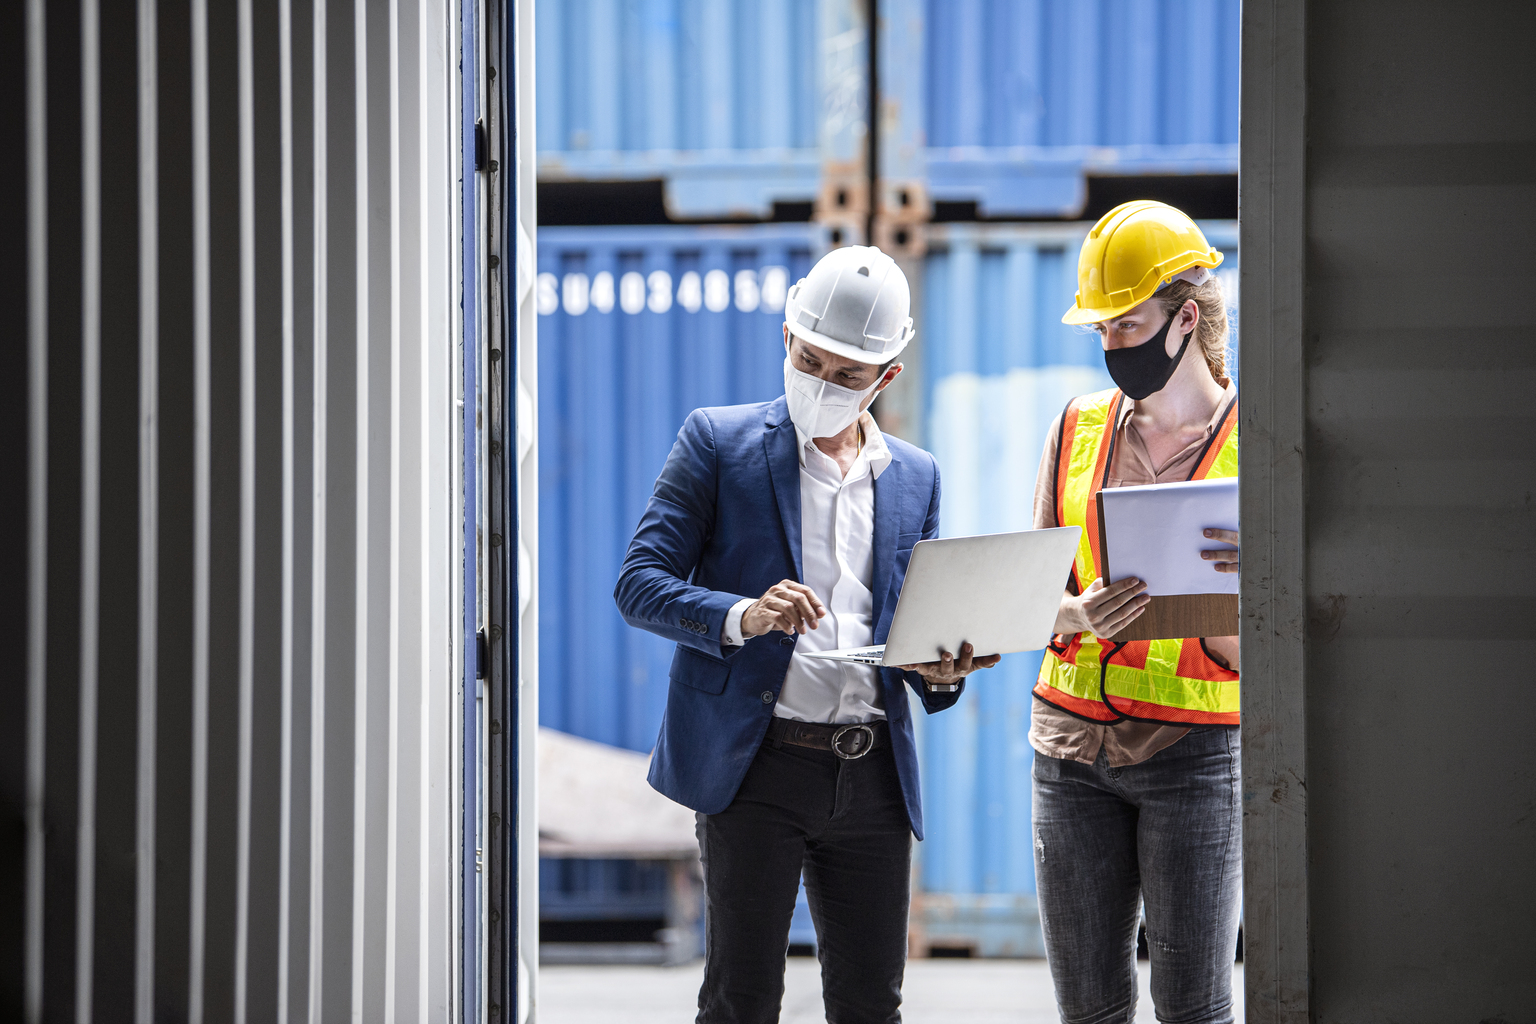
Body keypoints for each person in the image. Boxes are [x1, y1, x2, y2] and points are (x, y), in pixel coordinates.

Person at [615, 245, 996, 1024]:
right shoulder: (716, 444)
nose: (819, 381)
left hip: (873, 777)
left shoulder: (916, 476)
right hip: (756, 769)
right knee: (741, 1000)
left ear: (886, 377)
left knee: (870, 1004)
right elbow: (639, 585)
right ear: (786, 333)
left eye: (846, 373)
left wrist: (947, 668)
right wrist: (742, 614)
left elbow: (908, 634)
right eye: (806, 355)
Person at [1028, 201, 1243, 1024]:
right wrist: (1080, 614)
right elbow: (1031, 595)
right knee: (1088, 1011)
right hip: (1069, 750)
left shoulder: (1254, 443)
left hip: (1196, 756)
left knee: (1193, 1008)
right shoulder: (1076, 429)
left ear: (1185, 319)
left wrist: (1235, 596)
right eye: (1103, 330)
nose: (1113, 345)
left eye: (1128, 324)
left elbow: (1278, 656)